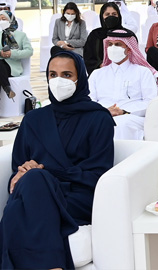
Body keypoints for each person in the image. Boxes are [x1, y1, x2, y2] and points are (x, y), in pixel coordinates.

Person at [0, 50, 114, 269]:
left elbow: (97, 175)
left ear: (80, 78)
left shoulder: (99, 117)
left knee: (23, 200)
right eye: (52, 74)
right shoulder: (34, 118)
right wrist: (25, 173)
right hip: (35, 191)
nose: (58, 80)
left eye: (66, 75)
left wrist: (45, 172)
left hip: (76, 195)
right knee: (33, 183)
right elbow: (17, 171)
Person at [89, 30, 158, 140]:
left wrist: (123, 111)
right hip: (101, 114)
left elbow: (150, 102)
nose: (112, 48)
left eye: (117, 44)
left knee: (120, 124)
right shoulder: (97, 74)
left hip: (132, 117)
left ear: (128, 49)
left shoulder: (143, 72)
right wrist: (104, 111)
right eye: (110, 44)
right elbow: (89, 100)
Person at [83, 2, 128, 74]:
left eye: (114, 14)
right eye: (107, 14)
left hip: (124, 72)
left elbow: (133, 56)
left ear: (119, 16)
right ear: (102, 16)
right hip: (100, 72)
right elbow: (88, 58)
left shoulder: (126, 34)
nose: (111, 17)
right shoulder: (95, 35)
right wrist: (100, 65)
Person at [0, 11, 31, 99]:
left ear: (10, 20)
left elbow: (29, 51)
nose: (1, 22)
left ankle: (7, 89)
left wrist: (12, 53)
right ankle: (8, 89)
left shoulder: (21, 35)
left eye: (3, 19)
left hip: (13, 67)